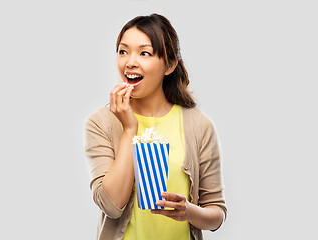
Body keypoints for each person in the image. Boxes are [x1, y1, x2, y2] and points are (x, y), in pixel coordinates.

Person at [84, 13, 227, 240]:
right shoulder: (101, 123)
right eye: (123, 51)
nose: (130, 62)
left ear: (169, 65)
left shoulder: (199, 125)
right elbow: (111, 206)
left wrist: (188, 211)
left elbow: (217, 213)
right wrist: (130, 129)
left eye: (144, 53)